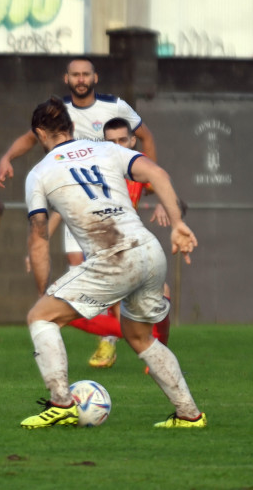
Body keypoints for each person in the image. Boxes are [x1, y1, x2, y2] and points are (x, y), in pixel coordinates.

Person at [20, 97, 206, 429]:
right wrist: (177, 224)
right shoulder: (106, 150)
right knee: (139, 337)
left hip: (113, 256)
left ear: (39, 134)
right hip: (149, 251)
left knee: (40, 317)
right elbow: (157, 172)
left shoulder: (39, 173)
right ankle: (189, 414)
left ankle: (62, 403)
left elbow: (38, 237)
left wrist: (41, 292)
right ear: (70, 127)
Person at [0, 57, 159, 369]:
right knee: (78, 268)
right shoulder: (59, 114)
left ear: (95, 77)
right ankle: (111, 337)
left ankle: (125, 334)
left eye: (86, 74)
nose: (81, 79)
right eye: (75, 75)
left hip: (109, 199)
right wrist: (8, 157)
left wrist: (147, 178)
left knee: (116, 270)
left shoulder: (116, 107)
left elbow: (146, 139)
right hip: (73, 202)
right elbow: (31, 137)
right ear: (66, 78)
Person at [62, 117, 173, 360]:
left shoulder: (138, 167)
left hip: (131, 240)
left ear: (133, 141)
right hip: (104, 242)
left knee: (162, 295)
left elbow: (162, 185)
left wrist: (163, 205)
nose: (118, 145)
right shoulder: (97, 171)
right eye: (112, 141)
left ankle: (150, 349)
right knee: (116, 301)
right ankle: (125, 344)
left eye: (123, 140)